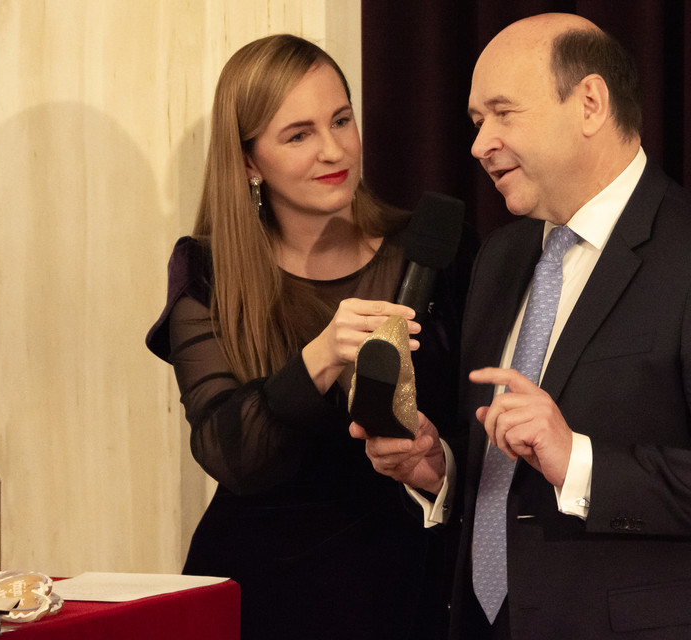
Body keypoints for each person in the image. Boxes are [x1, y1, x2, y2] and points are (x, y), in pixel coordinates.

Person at [351, 13, 691, 639]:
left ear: (590, 103)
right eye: (477, 122)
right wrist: (441, 467)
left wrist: (580, 462)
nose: (480, 145)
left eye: (503, 113)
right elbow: (505, 462)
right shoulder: (500, 257)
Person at [146, 34, 472, 640]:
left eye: (341, 120)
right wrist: (320, 357)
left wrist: (435, 460)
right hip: (263, 590)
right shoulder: (209, 273)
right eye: (298, 135)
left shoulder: (430, 249)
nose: (333, 149)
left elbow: (479, 424)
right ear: (249, 162)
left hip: (408, 586)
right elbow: (229, 454)